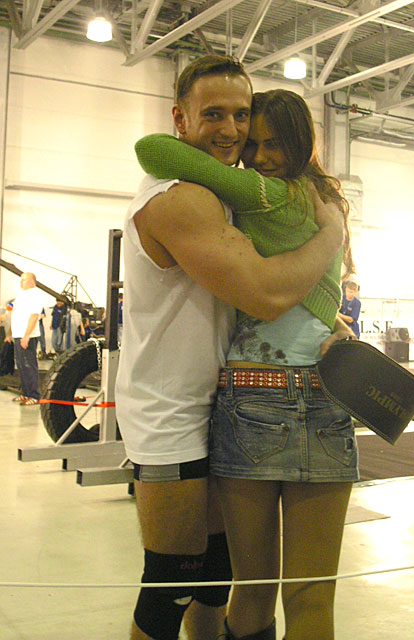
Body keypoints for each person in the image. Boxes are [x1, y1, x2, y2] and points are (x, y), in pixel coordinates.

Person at [115, 55, 345, 640]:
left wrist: (329, 317)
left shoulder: (224, 195)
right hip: (171, 416)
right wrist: (333, 237)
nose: (232, 130)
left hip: (219, 404)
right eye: (213, 114)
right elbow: (266, 294)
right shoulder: (178, 199)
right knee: (171, 587)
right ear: (180, 118)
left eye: (241, 114)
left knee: (217, 583)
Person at [4, 272, 44, 406]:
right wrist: (10, 334)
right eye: (21, 280)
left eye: (24, 280)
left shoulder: (35, 295)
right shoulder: (20, 295)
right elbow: (15, 316)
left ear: (32, 281)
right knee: (21, 365)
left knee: (29, 365)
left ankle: (34, 395)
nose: (21, 282)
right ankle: (25, 393)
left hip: (28, 336)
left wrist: (26, 336)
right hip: (17, 335)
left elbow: (34, 316)